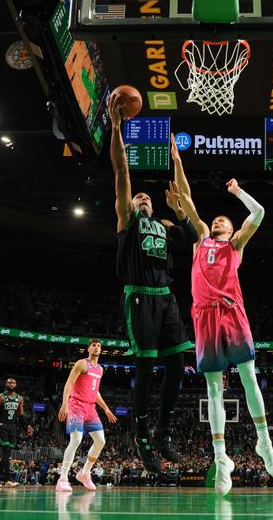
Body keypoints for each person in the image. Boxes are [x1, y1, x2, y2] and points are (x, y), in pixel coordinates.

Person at [171, 144, 273, 496]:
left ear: (232, 228)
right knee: (212, 388)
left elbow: (260, 211)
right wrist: (177, 162)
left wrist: (237, 192)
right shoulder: (201, 239)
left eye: (225, 219)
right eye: (216, 218)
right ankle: (221, 459)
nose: (218, 220)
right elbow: (186, 198)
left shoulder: (235, 245)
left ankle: (264, 442)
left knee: (248, 375)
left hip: (232, 312)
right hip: (203, 316)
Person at [108, 95, 199, 472]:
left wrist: (178, 195)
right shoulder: (127, 222)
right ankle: (141, 433)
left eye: (147, 197)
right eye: (139, 197)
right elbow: (121, 174)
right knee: (146, 367)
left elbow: (194, 232)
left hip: (167, 298)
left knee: (177, 365)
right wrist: (116, 129)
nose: (143, 198)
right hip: (140, 298)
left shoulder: (163, 226)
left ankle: (162, 431)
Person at [56, 339, 118, 492]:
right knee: (76, 439)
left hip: (90, 408)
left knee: (100, 441)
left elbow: (95, 392)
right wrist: (65, 404)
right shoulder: (81, 363)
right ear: (88, 349)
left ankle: (84, 473)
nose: (96, 347)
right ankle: (62, 478)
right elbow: (69, 383)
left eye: (98, 346)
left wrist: (106, 409)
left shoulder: (100, 370)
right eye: (93, 345)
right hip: (76, 405)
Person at [0, 378, 33, 488]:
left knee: (7, 455)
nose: (11, 384)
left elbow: (21, 416)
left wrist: (27, 425)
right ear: (6, 384)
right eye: (9, 382)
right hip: (2, 426)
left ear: (16, 384)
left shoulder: (19, 398)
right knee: (6, 454)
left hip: (13, 428)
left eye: (13, 382)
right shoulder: (0, 397)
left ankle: (4, 480)